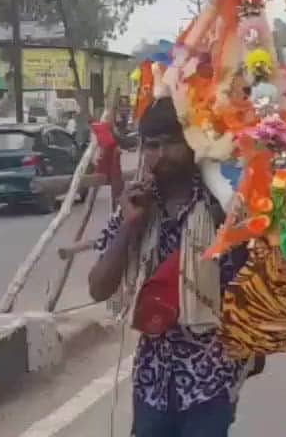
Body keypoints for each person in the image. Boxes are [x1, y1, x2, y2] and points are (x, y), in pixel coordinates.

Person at [88, 98, 258, 436]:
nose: (160, 154)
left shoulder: (222, 208)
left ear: (192, 143)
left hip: (209, 382)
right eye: (152, 145)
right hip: (152, 383)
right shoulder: (136, 206)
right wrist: (130, 226)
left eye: (171, 143)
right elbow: (98, 288)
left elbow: (253, 287)